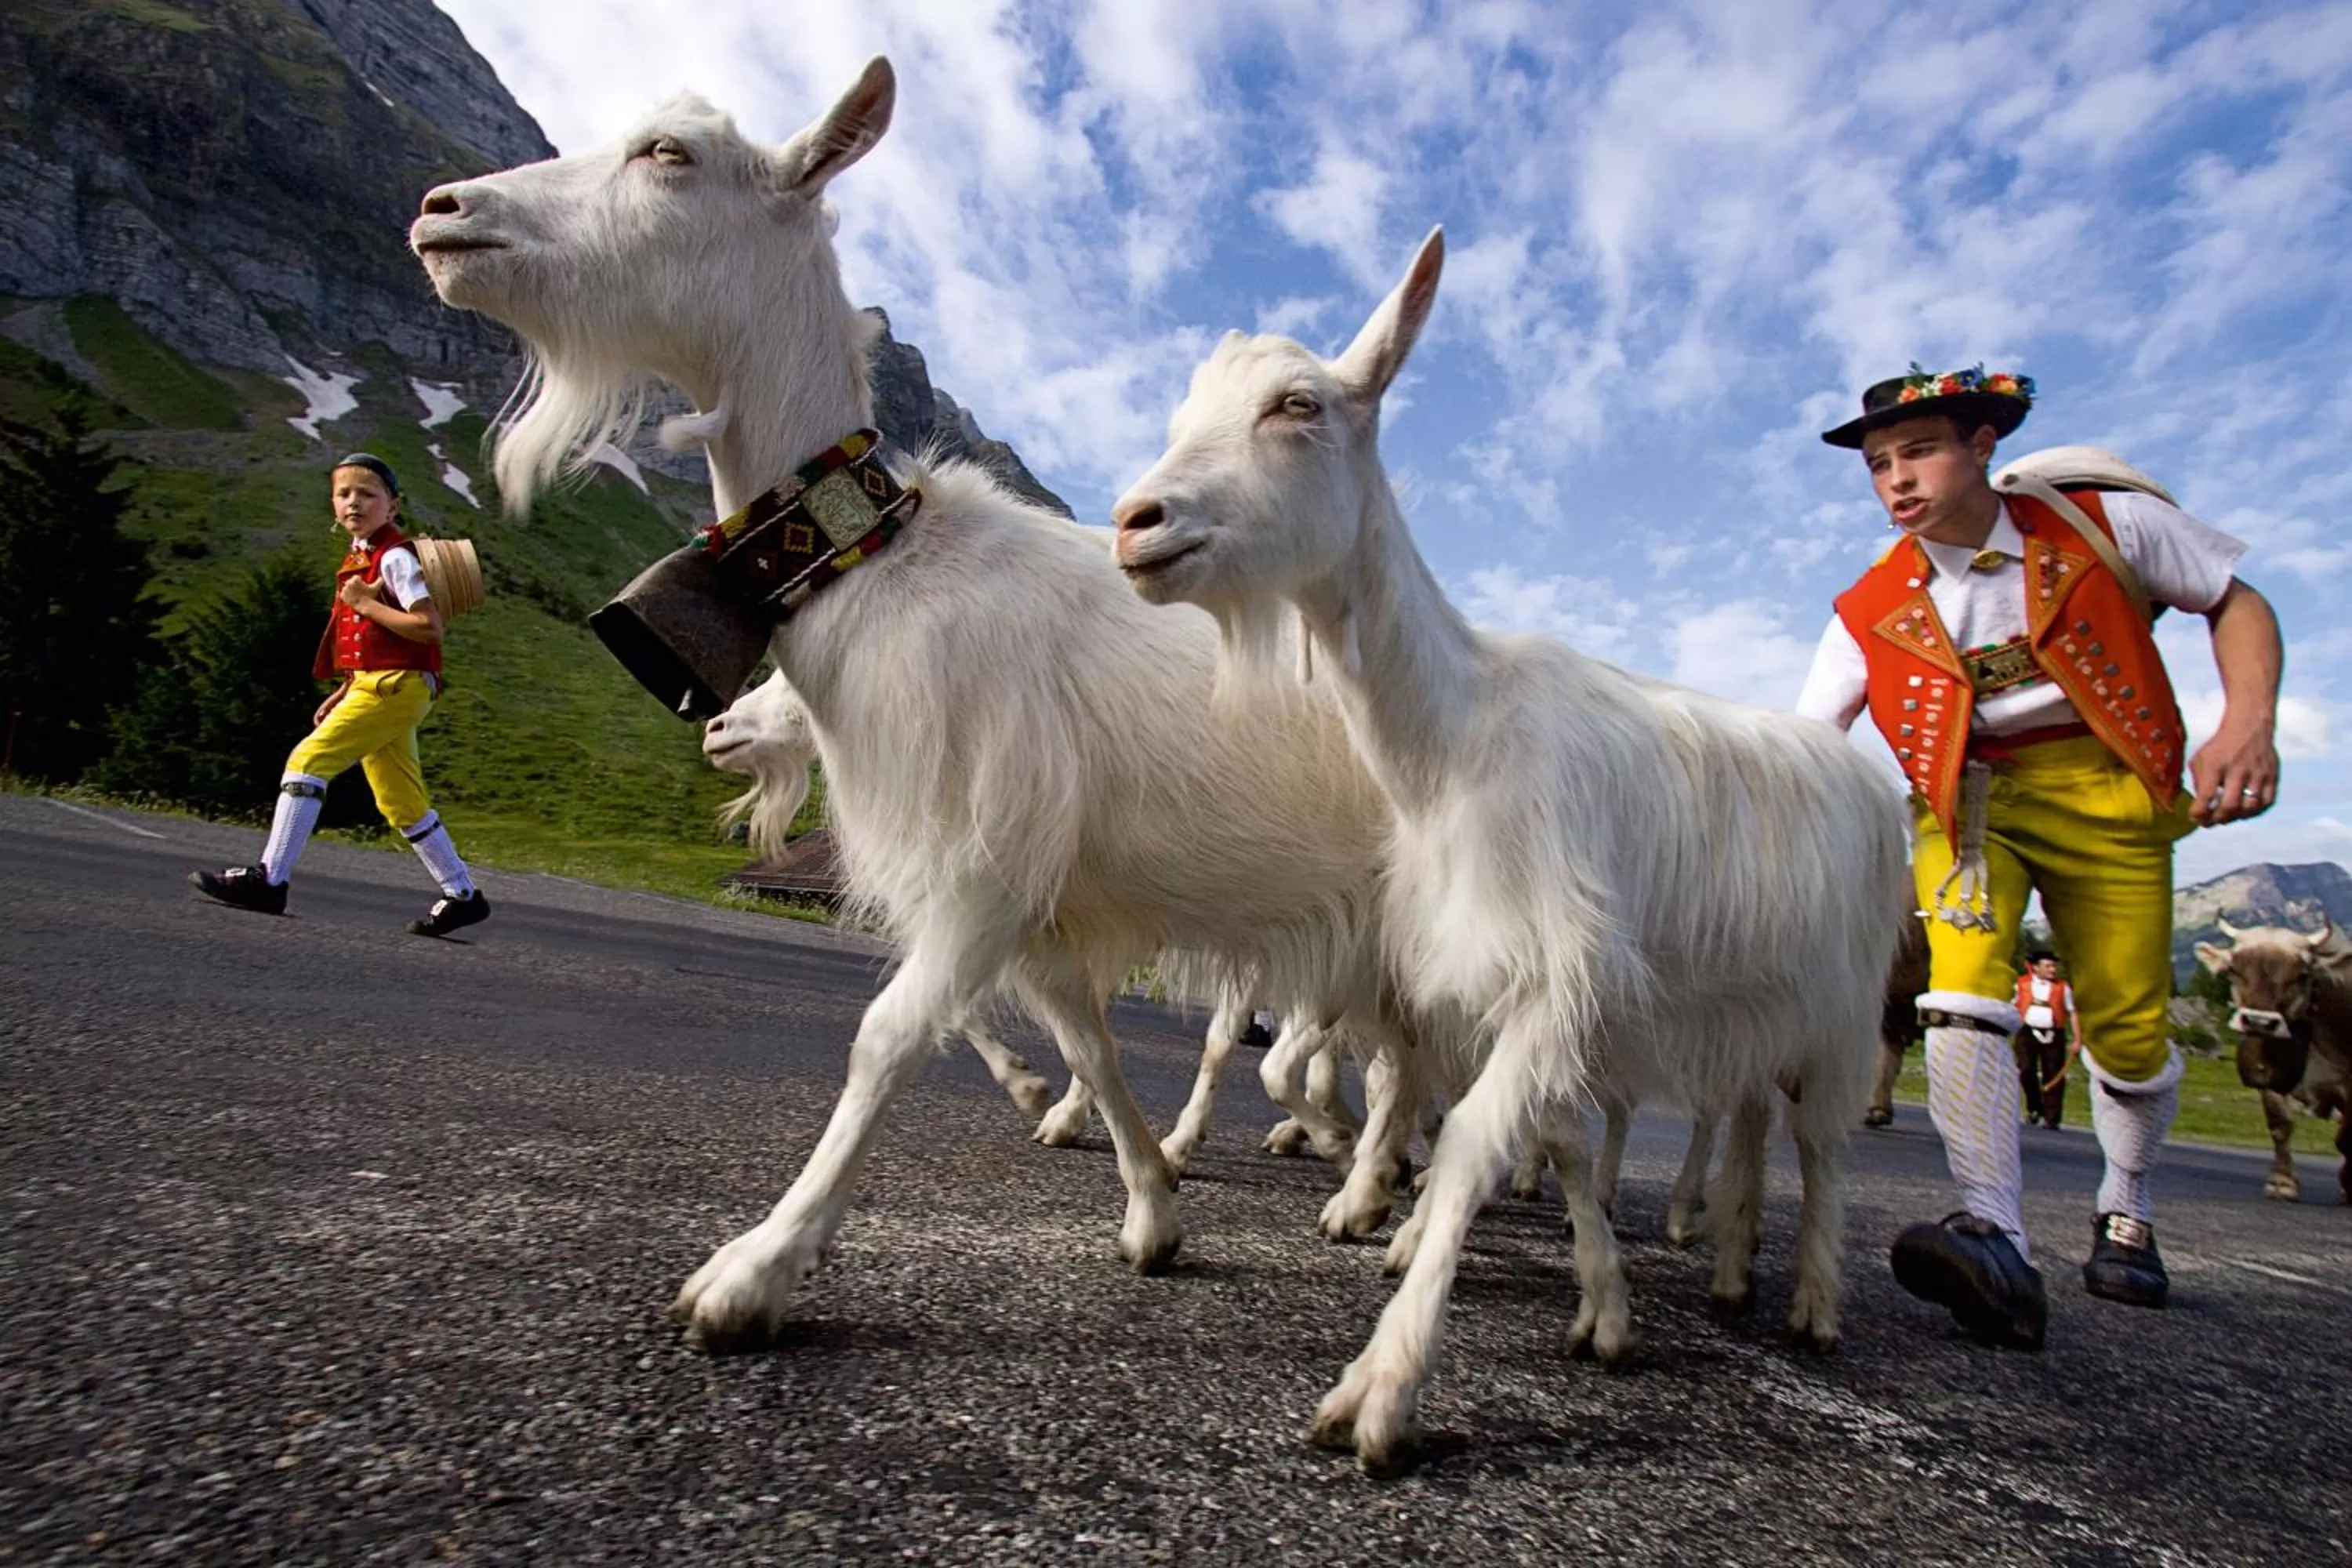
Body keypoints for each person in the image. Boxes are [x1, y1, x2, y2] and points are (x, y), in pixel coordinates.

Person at [1795, 366, 2282, 1349]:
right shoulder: (1866, 606)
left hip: (2107, 786)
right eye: (1879, 463)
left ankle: (2127, 1207)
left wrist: (2249, 722)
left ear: (1983, 446)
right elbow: (1802, 742)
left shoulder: (2106, 527)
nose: (1895, 478)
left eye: (1919, 449)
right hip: (1965, 802)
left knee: (2131, 1023)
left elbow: (2236, 601)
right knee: (1961, 982)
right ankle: (1994, 1230)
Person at [190, 453, 491, 938]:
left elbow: (428, 628)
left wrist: (366, 603)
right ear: (332, 504)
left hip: (397, 684)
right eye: (344, 493)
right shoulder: (362, 556)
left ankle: (271, 880)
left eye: (368, 494)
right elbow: (375, 638)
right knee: (400, 801)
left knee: (308, 761)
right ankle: (462, 895)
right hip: (381, 684)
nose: (355, 501)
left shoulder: (393, 557)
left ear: (392, 508)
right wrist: (346, 687)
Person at [2012, 951, 2078, 1130]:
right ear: (2036, 967)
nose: (2052, 970)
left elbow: (2073, 1012)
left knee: (2054, 1074)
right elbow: (2011, 1006)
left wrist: (2077, 1040)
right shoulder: (2021, 984)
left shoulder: (2063, 988)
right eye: (2048, 966)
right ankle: (2034, 1108)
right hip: (2027, 1032)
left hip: (2053, 1033)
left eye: (2054, 966)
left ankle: (2052, 1118)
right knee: (2026, 1070)